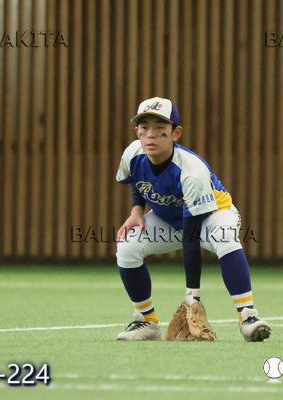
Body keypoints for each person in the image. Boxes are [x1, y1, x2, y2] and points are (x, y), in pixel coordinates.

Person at [115, 97, 271, 342]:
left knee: (224, 237)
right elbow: (136, 180)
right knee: (127, 245)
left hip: (213, 216)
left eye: (159, 128)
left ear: (176, 133)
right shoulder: (133, 153)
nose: (150, 135)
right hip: (170, 219)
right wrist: (136, 211)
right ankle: (146, 321)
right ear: (137, 132)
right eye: (144, 128)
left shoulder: (191, 170)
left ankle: (248, 317)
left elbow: (191, 236)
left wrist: (192, 296)